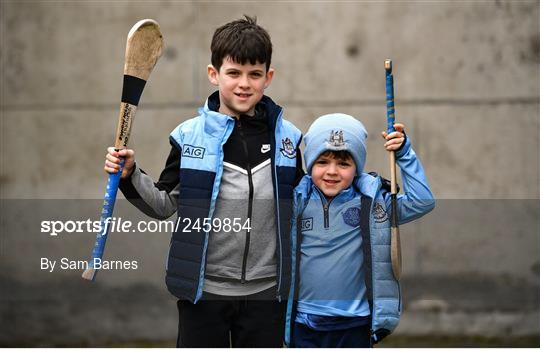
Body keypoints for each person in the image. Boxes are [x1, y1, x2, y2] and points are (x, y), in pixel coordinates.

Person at [104, 16, 303, 348]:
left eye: (254, 74)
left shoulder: (289, 139)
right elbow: (163, 205)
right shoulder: (188, 136)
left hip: (267, 294)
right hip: (203, 292)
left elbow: (312, 198)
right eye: (233, 73)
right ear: (214, 74)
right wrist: (129, 175)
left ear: (268, 78)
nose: (244, 84)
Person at [284, 113, 435, 348]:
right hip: (304, 322)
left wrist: (404, 154)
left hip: (355, 323)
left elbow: (422, 202)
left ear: (357, 167)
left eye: (343, 163)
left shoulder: (375, 204)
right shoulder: (297, 201)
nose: (332, 171)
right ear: (310, 164)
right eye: (322, 162)